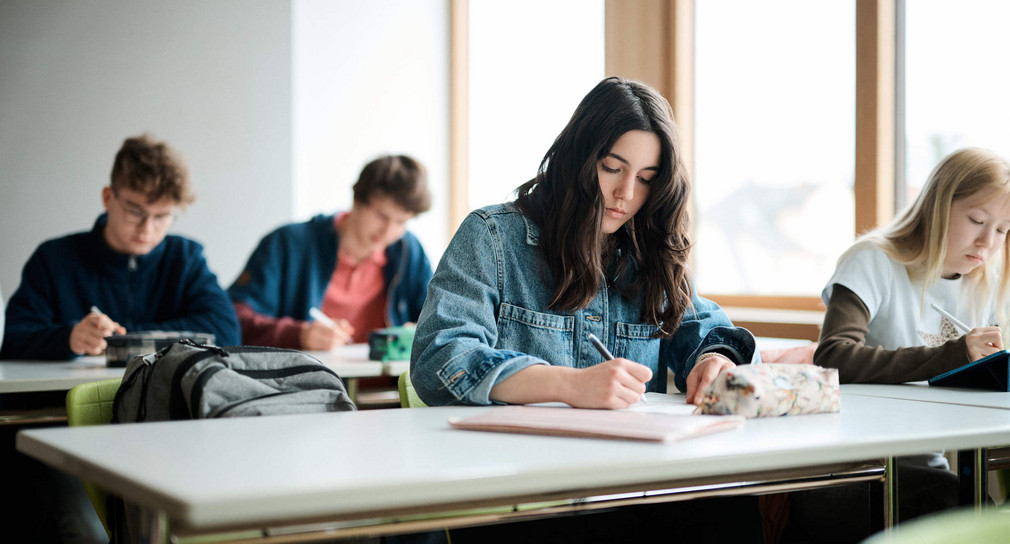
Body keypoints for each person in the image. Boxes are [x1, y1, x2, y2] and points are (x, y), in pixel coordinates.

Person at [410, 77, 763, 542]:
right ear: (579, 160)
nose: (626, 194)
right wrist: (567, 384)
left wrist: (714, 359)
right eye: (612, 168)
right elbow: (441, 358)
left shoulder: (648, 249)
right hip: (520, 493)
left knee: (731, 506)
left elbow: (700, 324)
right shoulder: (492, 237)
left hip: (630, 487)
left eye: (646, 179)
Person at [782, 148, 1010, 543]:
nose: (987, 242)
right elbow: (834, 355)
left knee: (972, 509)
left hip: (928, 466)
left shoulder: (983, 286)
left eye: (1004, 230)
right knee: (963, 509)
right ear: (939, 206)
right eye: (977, 220)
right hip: (850, 470)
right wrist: (952, 355)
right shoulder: (872, 261)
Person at [0, 134, 240, 360]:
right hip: (64, 400)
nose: (147, 230)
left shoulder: (186, 258)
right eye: (135, 212)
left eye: (162, 217)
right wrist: (69, 337)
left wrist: (119, 340)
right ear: (107, 198)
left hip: (161, 401)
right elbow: (10, 337)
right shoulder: (53, 259)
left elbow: (225, 331)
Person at [227, 154, 433, 350]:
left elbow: (437, 318)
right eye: (381, 216)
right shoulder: (288, 244)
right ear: (357, 200)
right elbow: (234, 318)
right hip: (309, 384)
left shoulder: (408, 251)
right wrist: (299, 335)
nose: (388, 231)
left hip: (389, 385)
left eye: (401, 222)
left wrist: (420, 331)